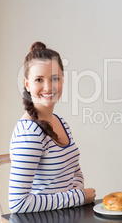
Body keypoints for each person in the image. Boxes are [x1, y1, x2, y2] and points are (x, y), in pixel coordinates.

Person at [9, 42, 96, 213]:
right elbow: (18, 204)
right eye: (39, 80)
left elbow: (76, 173)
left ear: (63, 80)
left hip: (65, 215)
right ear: (27, 84)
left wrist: (75, 195)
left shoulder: (61, 122)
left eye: (55, 78)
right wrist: (78, 197)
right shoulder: (30, 132)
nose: (49, 87)